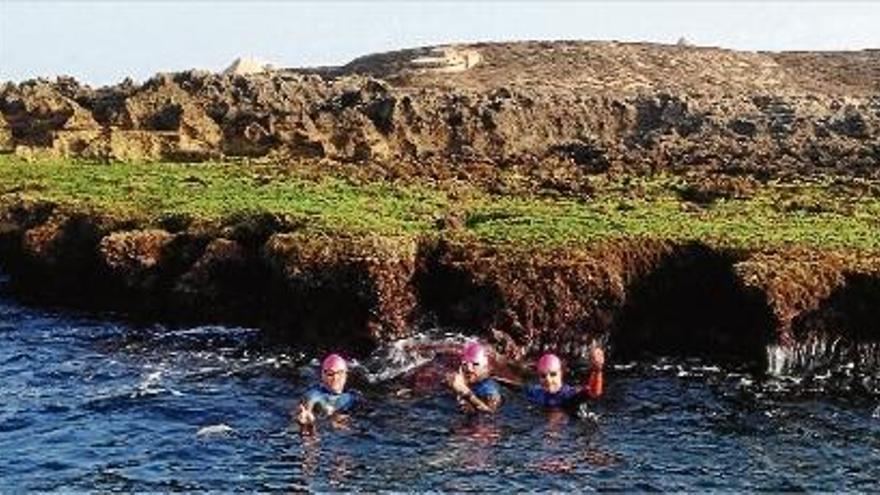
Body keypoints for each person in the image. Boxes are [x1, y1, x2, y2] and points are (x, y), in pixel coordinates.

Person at [524, 345, 604, 410]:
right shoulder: (535, 391)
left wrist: (597, 370)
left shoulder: (569, 394)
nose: (548, 380)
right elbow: (516, 387)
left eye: (553, 374)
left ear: (561, 374)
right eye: (543, 376)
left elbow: (594, 393)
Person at [295, 353, 359, 433]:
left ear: (346, 375)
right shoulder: (314, 396)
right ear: (323, 375)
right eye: (330, 374)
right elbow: (304, 415)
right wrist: (306, 424)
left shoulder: (353, 396)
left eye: (340, 373)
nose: (335, 378)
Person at [446, 341, 503, 413]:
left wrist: (465, 392)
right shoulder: (456, 377)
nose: (469, 369)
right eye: (465, 364)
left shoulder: (491, 389)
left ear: (487, 368)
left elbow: (491, 413)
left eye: (475, 364)